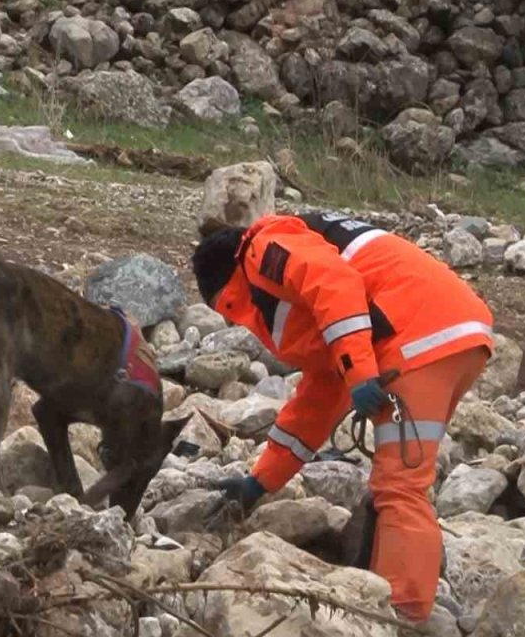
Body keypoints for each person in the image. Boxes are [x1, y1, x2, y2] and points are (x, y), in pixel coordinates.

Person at [190, 210, 494, 625]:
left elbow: (334, 283)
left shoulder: (263, 249)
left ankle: (401, 618)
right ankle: (385, 582)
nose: (234, 320)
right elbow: (318, 396)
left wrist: (360, 371)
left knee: (400, 486)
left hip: (418, 337)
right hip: (452, 334)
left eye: (229, 308)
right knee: (398, 482)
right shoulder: (297, 253)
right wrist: (260, 481)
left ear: (229, 286)